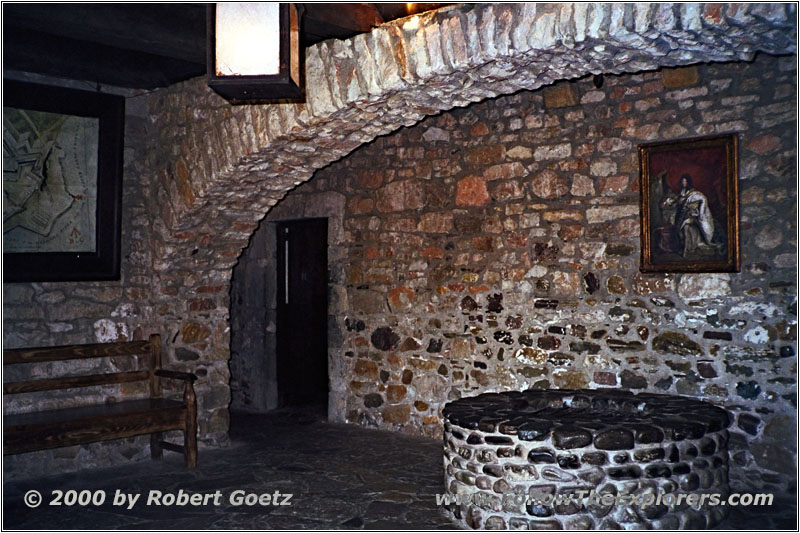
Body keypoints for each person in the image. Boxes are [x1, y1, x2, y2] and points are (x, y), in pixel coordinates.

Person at [671, 173, 719, 257]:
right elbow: (677, 201)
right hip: (681, 215)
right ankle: (682, 248)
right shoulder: (682, 193)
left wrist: (698, 213)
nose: (684, 183)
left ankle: (688, 249)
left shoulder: (694, 194)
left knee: (685, 227)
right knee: (677, 230)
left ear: (688, 182)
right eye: (683, 181)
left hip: (690, 216)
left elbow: (702, 200)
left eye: (685, 181)